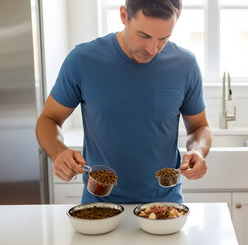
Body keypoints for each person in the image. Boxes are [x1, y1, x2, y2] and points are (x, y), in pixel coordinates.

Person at [36, 0, 212, 204]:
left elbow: (200, 126)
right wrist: (58, 151)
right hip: (100, 205)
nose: (153, 49)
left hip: (165, 206)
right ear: (123, 15)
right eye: (144, 35)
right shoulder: (83, 60)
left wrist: (197, 151)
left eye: (163, 38)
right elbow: (48, 119)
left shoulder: (185, 65)